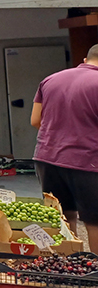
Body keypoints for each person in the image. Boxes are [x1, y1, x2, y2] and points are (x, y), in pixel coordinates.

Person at [31, 43, 98, 248]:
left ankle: (69, 266)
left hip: (47, 159)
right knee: (94, 220)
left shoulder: (51, 79)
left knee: (63, 216)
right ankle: (94, 270)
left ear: (85, 61)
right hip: (86, 162)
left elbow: (35, 120)